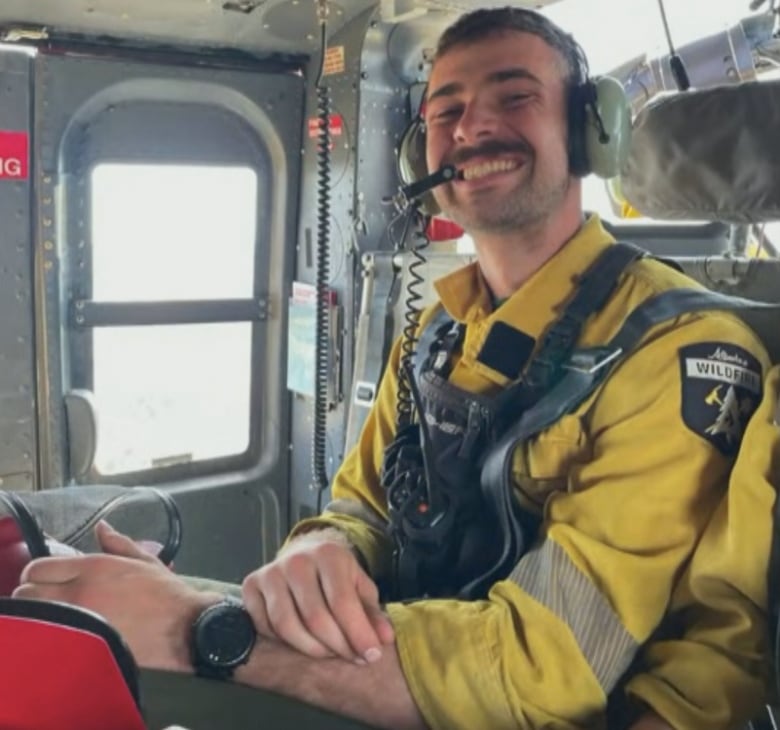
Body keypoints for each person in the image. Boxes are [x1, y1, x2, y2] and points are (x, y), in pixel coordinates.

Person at [13, 7, 773, 730]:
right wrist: (324, 548)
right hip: (411, 668)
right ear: (423, 155)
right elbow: (363, 506)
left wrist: (195, 628)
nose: (472, 126)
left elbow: (545, 669)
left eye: (515, 96)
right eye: (445, 112)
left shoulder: (674, 350)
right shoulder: (440, 330)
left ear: (588, 131)